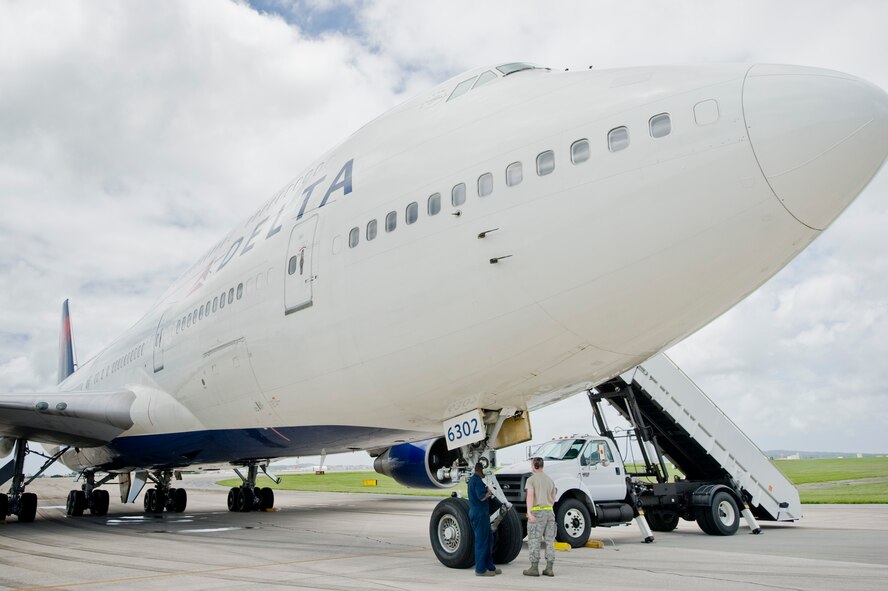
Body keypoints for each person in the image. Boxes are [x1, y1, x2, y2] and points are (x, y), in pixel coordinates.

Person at [523, 456, 557, 577]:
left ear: (535, 466)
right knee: (549, 540)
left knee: (534, 540)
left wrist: (529, 511)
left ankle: (534, 567)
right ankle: (549, 568)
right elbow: (554, 498)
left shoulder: (531, 480)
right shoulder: (550, 480)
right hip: (550, 512)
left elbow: (530, 495)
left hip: (537, 513)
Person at [468, 461, 501, 576]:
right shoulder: (476, 481)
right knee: (481, 541)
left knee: (489, 539)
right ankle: (480, 570)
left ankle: (489, 566)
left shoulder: (476, 481)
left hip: (482, 514)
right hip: (479, 513)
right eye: (483, 472)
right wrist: (489, 492)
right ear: (480, 470)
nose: (484, 475)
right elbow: (481, 497)